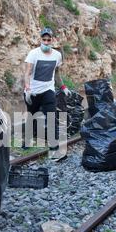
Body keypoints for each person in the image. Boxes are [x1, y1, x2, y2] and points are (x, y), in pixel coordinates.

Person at [23, 27, 69, 158]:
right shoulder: (33, 53)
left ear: (52, 40)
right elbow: (27, 73)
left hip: (48, 89)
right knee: (31, 115)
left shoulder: (57, 55)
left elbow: (57, 72)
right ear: (40, 40)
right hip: (33, 91)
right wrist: (27, 88)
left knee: (51, 116)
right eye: (44, 39)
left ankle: (54, 144)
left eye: (49, 40)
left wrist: (63, 86)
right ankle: (27, 141)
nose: (47, 42)